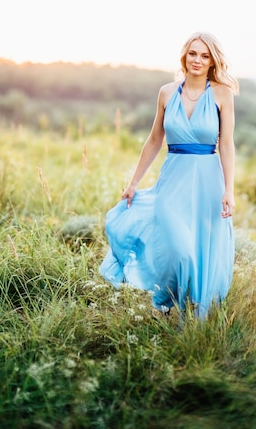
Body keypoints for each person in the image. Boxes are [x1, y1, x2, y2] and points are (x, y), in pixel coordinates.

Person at [99, 31, 239, 320]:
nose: (197, 60)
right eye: (193, 53)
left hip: (207, 186)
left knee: (199, 250)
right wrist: (133, 183)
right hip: (171, 184)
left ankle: (189, 315)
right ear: (184, 56)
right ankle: (163, 301)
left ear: (212, 61)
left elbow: (226, 143)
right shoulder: (166, 92)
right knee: (179, 250)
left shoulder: (222, 94)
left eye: (204, 55)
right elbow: (153, 141)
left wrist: (229, 189)